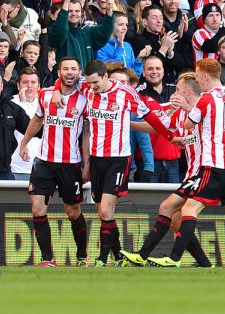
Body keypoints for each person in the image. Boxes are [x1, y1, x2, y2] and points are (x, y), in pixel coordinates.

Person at [147, 58, 225, 268]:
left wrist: (186, 107)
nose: (197, 81)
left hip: (213, 163)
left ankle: (175, 258)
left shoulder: (207, 98)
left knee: (188, 211)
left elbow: (187, 124)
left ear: (204, 76)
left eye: (197, 77)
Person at [51, 59, 177, 266]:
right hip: (97, 158)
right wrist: (57, 90)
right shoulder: (87, 86)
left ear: (105, 77)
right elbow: (65, 79)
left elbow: (151, 117)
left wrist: (169, 136)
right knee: (103, 212)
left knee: (105, 210)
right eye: (89, 84)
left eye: (95, 83)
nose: (91, 88)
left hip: (118, 158)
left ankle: (102, 258)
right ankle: (118, 256)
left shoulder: (125, 93)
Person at [120, 74, 213, 267]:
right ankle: (205, 264)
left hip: (205, 171)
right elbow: (155, 126)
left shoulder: (205, 110)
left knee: (166, 207)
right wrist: (126, 124)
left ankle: (143, 255)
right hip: (193, 173)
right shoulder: (179, 113)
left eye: (178, 90)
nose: (174, 94)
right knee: (177, 220)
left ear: (188, 91)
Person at [19, 57, 89, 267]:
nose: (69, 72)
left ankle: (82, 255)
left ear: (79, 72)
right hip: (44, 161)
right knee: (37, 208)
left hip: (70, 163)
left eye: (73, 69)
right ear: (59, 72)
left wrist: (87, 163)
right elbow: (38, 119)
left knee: (73, 211)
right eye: (65, 68)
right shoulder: (46, 94)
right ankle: (48, 258)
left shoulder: (85, 98)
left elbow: (86, 132)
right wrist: (24, 142)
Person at [48, 0, 114, 74]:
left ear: (82, 13)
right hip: (64, 81)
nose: (74, 14)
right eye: (70, 11)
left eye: (77, 11)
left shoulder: (88, 31)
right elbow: (59, 33)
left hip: (85, 82)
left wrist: (109, 11)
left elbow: (105, 32)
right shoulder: (56, 30)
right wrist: (65, 5)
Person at [138, 56, 180, 183]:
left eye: (157, 68)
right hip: (148, 162)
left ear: (163, 71)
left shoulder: (177, 91)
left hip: (173, 160)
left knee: (173, 202)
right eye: (150, 69)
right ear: (144, 72)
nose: (154, 72)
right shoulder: (138, 95)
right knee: (146, 202)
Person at [96, 11, 151, 77]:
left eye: (126, 25)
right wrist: (120, 47)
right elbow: (110, 72)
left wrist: (139, 59)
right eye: (121, 24)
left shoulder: (127, 46)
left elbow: (134, 77)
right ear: (110, 25)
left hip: (128, 86)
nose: (125, 28)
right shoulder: (101, 46)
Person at [10, 68, 41, 181]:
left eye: (33, 82)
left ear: (39, 86)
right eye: (25, 82)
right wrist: (23, 103)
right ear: (18, 85)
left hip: (40, 167)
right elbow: (25, 124)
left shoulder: (44, 104)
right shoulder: (10, 103)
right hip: (15, 166)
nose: (29, 86)